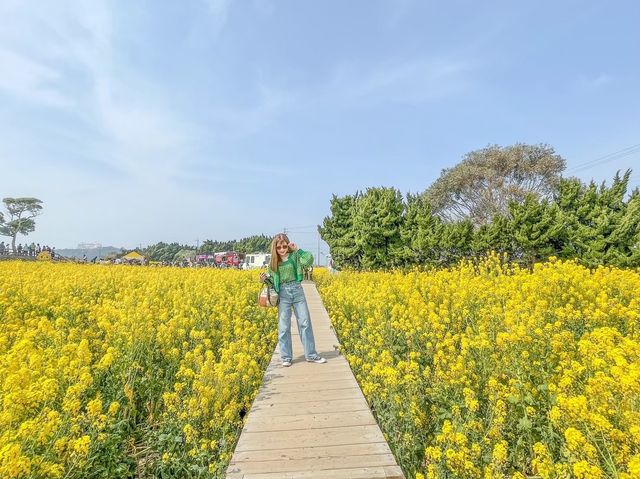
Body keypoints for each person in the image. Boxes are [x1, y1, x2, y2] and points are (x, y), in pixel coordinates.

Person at [260, 233, 326, 367]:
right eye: (279, 247)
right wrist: (265, 279)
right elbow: (272, 282)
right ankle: (286, 357)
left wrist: (298, 249)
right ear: (275, 248)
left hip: (297, 291)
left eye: (284, 246)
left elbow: (308, 261)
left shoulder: (295, 256)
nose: (282, 249)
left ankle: (311, 355)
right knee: (284, 327)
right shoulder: (273, 263)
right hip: (283, 294)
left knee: (305, 323)